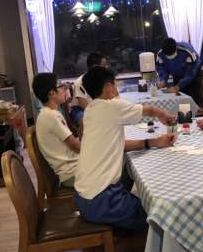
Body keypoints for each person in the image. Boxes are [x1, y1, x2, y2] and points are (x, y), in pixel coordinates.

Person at [74, 66, 175, 232]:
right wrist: (163, 115)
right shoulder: (111, 106)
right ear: (108, 87)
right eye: (115, 84)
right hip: (101, 200)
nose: (117, 89)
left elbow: (119, 144)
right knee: (159, 217)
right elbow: (149, 110)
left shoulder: (90, 110)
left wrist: (153, 142)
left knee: (137, 196)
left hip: (83, 196)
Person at [32, 73, 81, 187]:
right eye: (60, 86)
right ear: (51, 93)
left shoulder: (47, 114)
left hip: (72, 169)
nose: (64, 89)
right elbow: (75, 146)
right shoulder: (51, 116)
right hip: (72, 173)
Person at [156, 38, 202, 104]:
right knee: (178, 96)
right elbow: (162, 69)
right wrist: (163, 80)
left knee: (193, 94)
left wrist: (178, 86)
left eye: (172, 54)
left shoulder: (187, 52)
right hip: (176, 72)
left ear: (176, 48)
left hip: (193, 72)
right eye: (168, 56)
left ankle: (195, 108)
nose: (170, 57)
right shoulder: (161, 54)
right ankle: (181, 109)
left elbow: (190, 74)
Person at [70, 51, 108, 125]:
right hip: (80, 109)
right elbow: (83, 104)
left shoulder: (103, 80)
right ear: (95, 67)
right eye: (104, 65)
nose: (106, 67)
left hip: (98, 107)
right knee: (84, 120)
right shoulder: (80, 82)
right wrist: (98, 114)